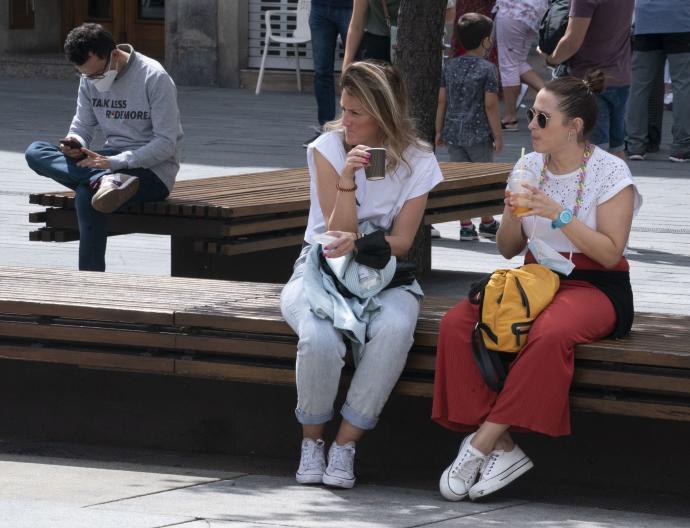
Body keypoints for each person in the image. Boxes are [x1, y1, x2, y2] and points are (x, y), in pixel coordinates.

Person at [432, 71, 642, 501]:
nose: (530, 124)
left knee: (548, 335)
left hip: (595, 284)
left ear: (574, 126)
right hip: (534, 277)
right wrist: (512, 212)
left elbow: (609, 253)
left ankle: (480, 445)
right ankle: (505, 448)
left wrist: (558, 212)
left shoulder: (609, 172)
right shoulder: (528, 165)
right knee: (457, 323)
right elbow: (508, 249)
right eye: (531, 114)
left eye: (541, 118)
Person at [281, 61, 443, 489]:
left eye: (357, 113)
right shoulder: (328, 148)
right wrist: (349, 176)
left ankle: (345, 444)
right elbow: (335, 234)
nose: (345, 121)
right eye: (344, 109)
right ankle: (311, 440)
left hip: (382, 269)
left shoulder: (419, 159)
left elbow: (404, 241)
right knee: (318, 337)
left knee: (395, 328)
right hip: (321, 266)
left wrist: (361, 244)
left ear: (384, 114)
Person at [24, 23, 183, 272]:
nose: (93, 81)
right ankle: (105, 180)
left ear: (114, 55)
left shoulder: (154, 77)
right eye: (85, 75)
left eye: (97, 74)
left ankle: (91, 282)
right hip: (106, 162)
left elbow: (166, 143)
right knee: (35, 152)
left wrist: (117, 163)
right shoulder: (88, 79)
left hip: (152, 171)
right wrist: (76, 143)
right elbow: (82, 125)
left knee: (88, 197)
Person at [435, 12, 502, 241]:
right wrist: (498, 134)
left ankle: (465, 226)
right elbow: (491, 105)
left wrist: (438, 129)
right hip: (479, 134)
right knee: (483, 179)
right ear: (486, 41)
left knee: (461, 181)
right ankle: (487, 221)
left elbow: (442, 100)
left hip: (453, 133)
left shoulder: (449, 66)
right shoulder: (488, 69)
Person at [541, 0, 634, 159]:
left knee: (593, 151)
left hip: (588, 79)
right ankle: (617, 183)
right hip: (619, 76)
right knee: (616, 149)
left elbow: (572, 41)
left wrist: (551, 59)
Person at [625, 0, 690, 162]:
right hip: (680, 19)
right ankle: (681, 147)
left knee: (639, 86)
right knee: (682, 84)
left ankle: (635, 145)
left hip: (646, 19)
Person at [302, 0, 353, 147]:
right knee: (322, 72)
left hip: (349, 7)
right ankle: (325, 131)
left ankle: (352, 129)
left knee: (354, 74)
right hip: (320, 7)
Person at [492, 0, 547, 131]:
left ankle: (510, 118)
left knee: (508, 65)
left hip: (514, 11)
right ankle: (554, 96)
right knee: (517, 62)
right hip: (534, 11)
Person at [342, 0, 400, 67]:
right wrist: (346, 67)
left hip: (404, 50)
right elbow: (356, 25)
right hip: (373, 52)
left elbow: (356, 26)